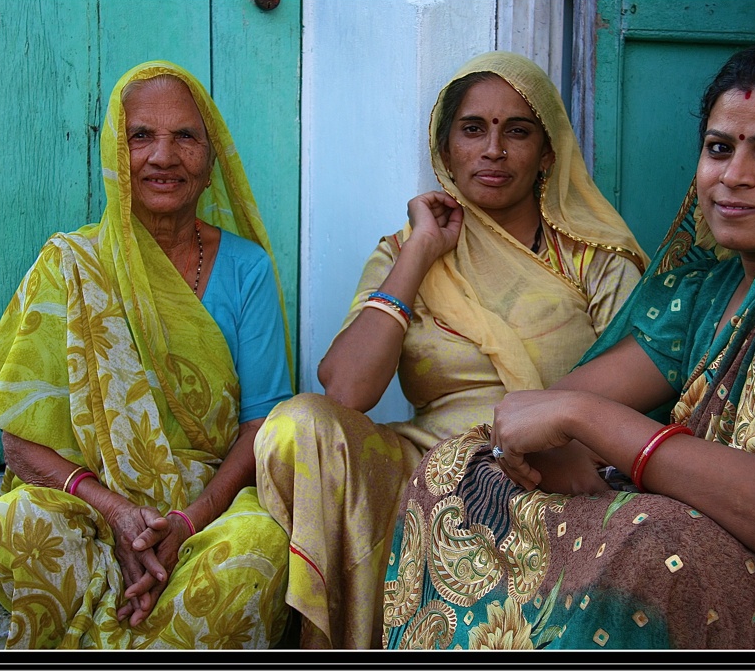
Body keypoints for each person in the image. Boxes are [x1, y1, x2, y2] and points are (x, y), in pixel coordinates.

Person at [383, 37, 755, 650]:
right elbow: (542, 414)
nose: (734, 177)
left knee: (649, 545)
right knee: (458, 470)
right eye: (718, 149)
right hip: (705, 559)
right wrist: (553, 437)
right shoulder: (710, 293)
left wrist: (584, 419)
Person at [253, 50, 648, 648]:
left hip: (553, 467)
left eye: (517, 131)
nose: (493, 150)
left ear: (547, 153)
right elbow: (348, 390)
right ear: (445, 148)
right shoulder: (405, 254)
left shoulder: (593, 260)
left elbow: (643, 392)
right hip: (424, 467)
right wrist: (420, 252)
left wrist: (538, 452)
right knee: (299, 422)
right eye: (473, 129)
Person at [0, 61, 294, 649]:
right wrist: (118, 512)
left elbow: (261, 423)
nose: (163, 156)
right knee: (10, 525)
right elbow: (18, 440)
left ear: (211, 157)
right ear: (116, 154)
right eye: (141, 135)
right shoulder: (69, 265)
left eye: (185, 137)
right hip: (90, 506)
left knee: (263, 548)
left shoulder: (246, 268)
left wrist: (189, 520)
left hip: (205, 507)